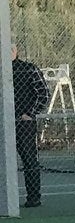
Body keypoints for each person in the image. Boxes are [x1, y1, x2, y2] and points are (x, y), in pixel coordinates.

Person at [11, 43, 49, 209]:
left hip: (23, 123)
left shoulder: (28, 69)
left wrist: (29, 114)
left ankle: (33, 197)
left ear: (16, 50)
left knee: (29, 159)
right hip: (4, 122)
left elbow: (44, 93)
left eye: (9, 49)